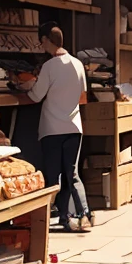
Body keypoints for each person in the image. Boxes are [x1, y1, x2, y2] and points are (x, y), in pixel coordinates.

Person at [25, 22, 91, 233]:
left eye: (42, 41)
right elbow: (83, 97)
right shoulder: (78, 64)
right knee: (72, 173)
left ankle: (43, 220)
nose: (41, 46)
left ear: (47, 40)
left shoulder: (49, 66)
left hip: (52, 129)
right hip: (74, 127)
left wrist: (24, 86)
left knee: (53, 176)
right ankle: (81, 214)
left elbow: (35, 96)